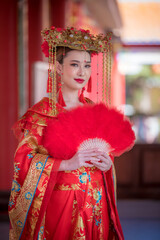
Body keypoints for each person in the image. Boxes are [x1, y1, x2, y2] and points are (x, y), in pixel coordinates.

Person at [8, 27, 135, 240]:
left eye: (86, 66)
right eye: (74, 65)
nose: (82, 73)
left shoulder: (94, 111)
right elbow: (23, 162)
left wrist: (106, 164)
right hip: (60, 201)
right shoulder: (40, 115)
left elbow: (105, 155)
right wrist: (66, 164)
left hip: (95, 201)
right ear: (58, 67)